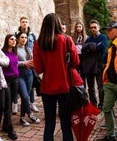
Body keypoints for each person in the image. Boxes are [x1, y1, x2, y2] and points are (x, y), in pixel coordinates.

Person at [33, 13, 79, 141]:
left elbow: (38, 69)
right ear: (58, 24)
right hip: (65, 86)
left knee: (49, 123)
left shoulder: (38, 43)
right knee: (66, 123)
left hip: (47, 87)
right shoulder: (66, 39)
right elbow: (76, 63)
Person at [14, 16, 39, 114]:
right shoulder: (16, 34)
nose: (25, 23)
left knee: (30, 88)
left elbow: (35, 47)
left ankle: (31, 105)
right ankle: (15, 104)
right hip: (20, 67)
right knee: (20, 90)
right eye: (23, 22)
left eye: (26, 22)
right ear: (20, 23)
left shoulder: (32, 36)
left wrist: (31, 63)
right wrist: (24, 63)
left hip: (29, 64)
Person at [16, 31, 40, 126]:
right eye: (22, 37)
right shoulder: (15, 49)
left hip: (29, 74)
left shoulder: (28, 49)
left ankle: (22, 117)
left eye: (25, 38)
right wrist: (24, 63)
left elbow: (33, 60)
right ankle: (30, 114)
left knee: (26, 97)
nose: (24, 39)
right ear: (18, 38)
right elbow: (13, 62)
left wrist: (33, 63)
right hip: (20, 74)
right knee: (25, 96)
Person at [82, 19, 107, 109]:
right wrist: (91, 46)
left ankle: (101, 104)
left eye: (95, 27)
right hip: (90, 66)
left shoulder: (103, 37)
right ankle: (93, 104)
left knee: (100, 87)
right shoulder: (89, 39)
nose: (93, 29)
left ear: (99, 28)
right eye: (91, 27)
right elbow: (83, 49)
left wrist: (91, 47)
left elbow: (102, 47)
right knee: (91, 87)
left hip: (99, 65)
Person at [1, 34, 19, 139]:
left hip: (15, 79)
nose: (14, 41)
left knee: (11, 102)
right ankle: (10, 129)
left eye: (15, 40)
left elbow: (15, 65)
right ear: (7, 40)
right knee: (7, 105)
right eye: (11, 39)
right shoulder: (2, 53)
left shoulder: (14, 53)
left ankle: (5, 124)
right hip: (6, 80)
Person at [72, 20, 88, 87]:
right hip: (76, 56)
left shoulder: (86, 37)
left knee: (83, 74)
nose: (78, 28)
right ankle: (77, 89)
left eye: (80, 27)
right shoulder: (73, 37)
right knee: (76, 73)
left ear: (82, 28)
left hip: (83, 57)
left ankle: (83, 88)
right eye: (77, 27)